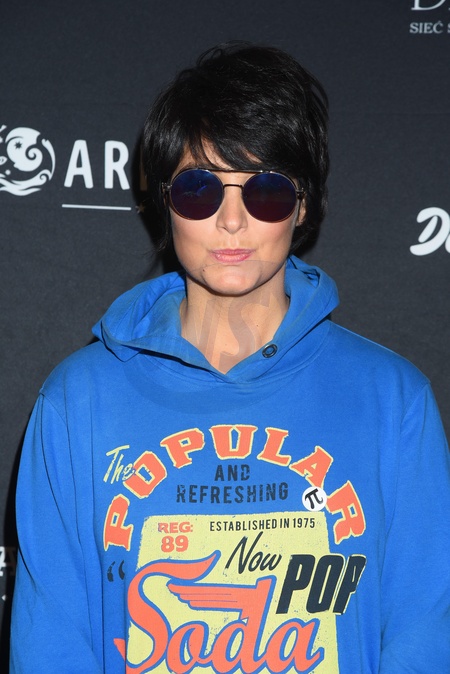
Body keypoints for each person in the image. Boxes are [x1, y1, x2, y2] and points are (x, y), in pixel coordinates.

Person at [10, 42, 450, 673]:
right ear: (165, 202)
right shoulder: (77, 403)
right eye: (200, 189)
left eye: (266, 191)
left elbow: (422, 638)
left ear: (303, 204)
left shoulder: (393, 401)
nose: (233, 221)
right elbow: (51, 648)